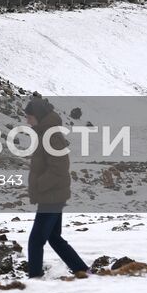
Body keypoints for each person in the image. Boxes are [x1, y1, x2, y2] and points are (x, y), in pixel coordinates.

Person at [24, 95, 88, 279]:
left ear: (38, 115)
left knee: (36, 240)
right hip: (52, 195)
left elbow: (59, 168)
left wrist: (38, 185)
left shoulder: (51, 136)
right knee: (54, 238)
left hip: (51, 196)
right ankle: (81, 269)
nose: (27, 121)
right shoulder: (45, 133)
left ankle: (34, 278)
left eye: (29, 117)